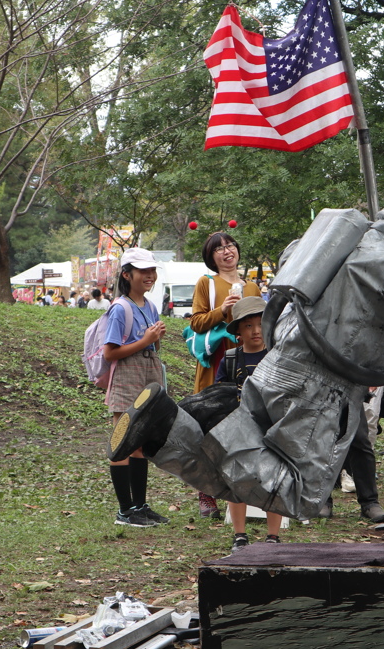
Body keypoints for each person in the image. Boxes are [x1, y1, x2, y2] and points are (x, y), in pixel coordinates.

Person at [108, 190, 384, 521]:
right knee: (301, 492)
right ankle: (215, 420)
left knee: (232, 475)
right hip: (319, 385)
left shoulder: (362, 242)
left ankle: (166, 430)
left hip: (283, 363)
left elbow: (294, 255)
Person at [187, 231, 261, 519]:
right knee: (210, 427)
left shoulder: (252, 286)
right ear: (211, 257)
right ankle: (206, 494)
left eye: (230, 245)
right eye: (219, 249)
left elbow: (262, 324)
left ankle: (243, 494)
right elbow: (196, 322)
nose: (226, 251)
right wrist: (223, 310)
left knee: (246, 427)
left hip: (249, 365)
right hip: (217, 364)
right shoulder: (206, 284)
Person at [103, 247, 169, 528]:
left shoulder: (151, 306)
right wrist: (147, 340)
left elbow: (152, 345)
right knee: (122, 441)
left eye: (152, 271)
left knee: (140, 442)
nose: (149, 276)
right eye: (143, 271)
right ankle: (124, 511)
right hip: (128, 374)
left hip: (148, 371)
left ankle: (140, 507)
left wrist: (155, 340)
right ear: (127, 275)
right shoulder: (120, 308)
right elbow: (110, 352)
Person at [216, 296, 283, 550]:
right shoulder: (231, 359)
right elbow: (219, 394)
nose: (255, 330)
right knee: (236, 482)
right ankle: (240, 535)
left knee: (273, 482)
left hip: (273, 429)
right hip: (239, 430)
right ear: (238, 333)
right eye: (248, 326)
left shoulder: (279, 357)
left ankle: (273, 537)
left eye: (260, 324)